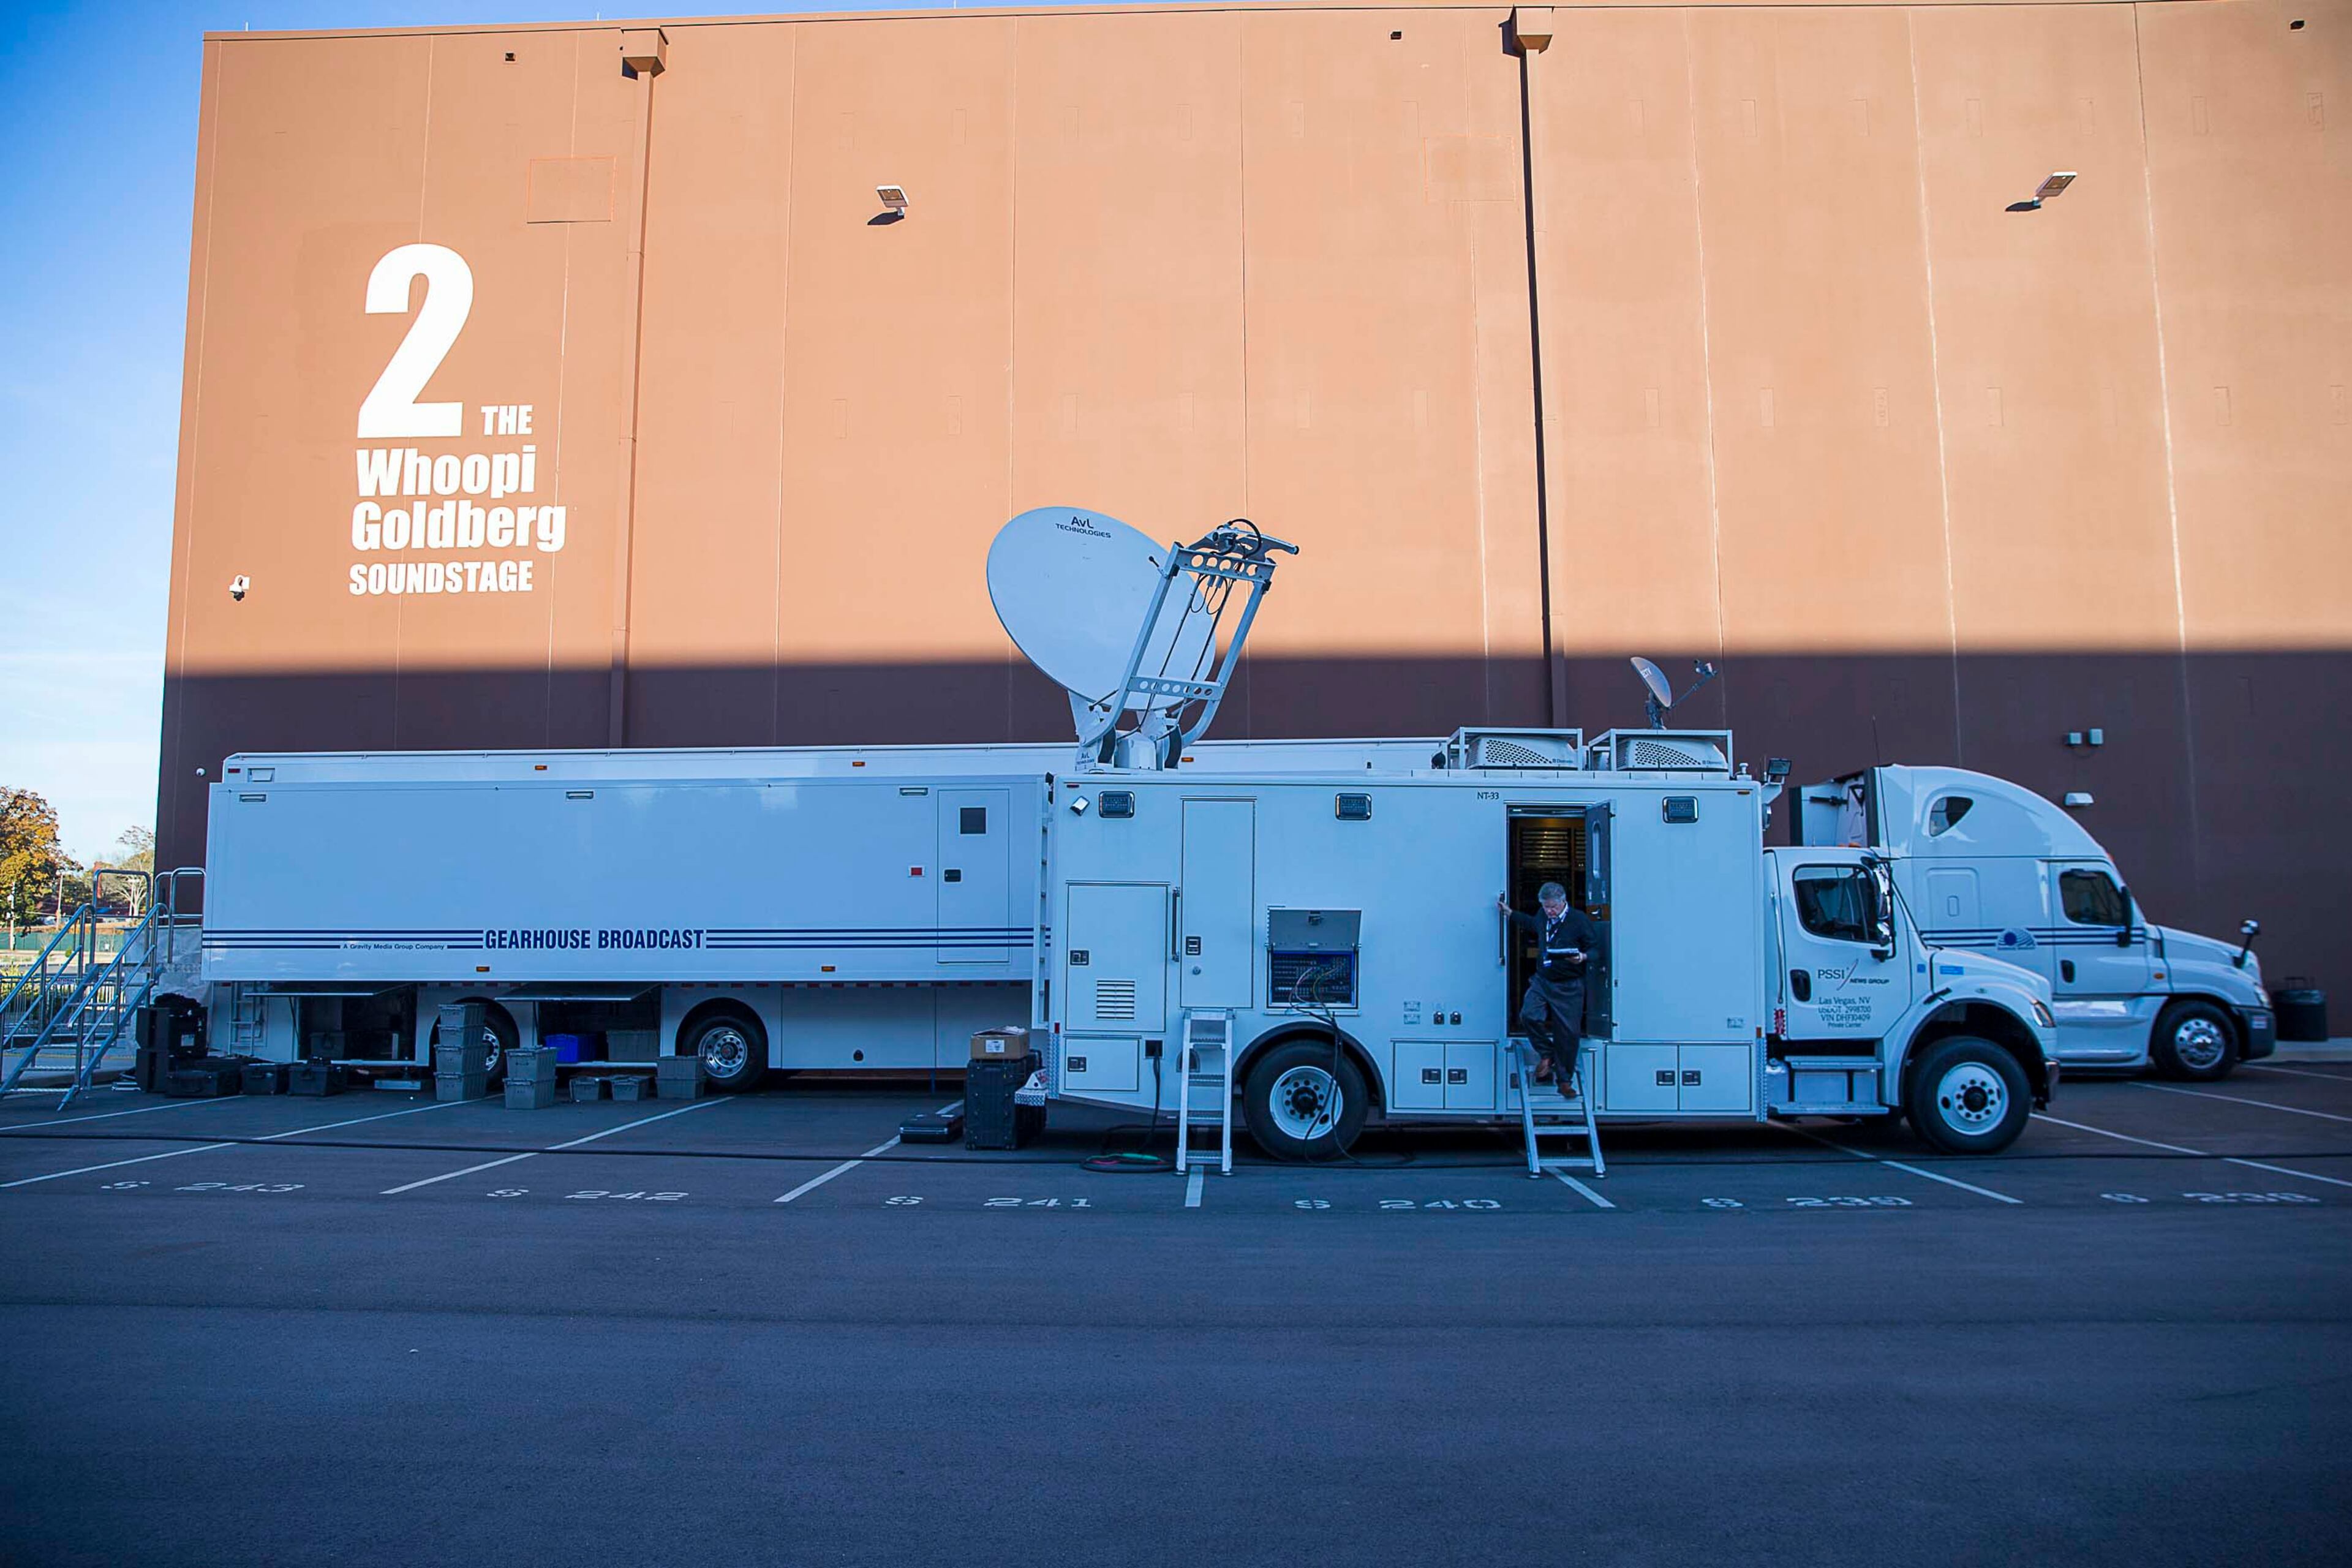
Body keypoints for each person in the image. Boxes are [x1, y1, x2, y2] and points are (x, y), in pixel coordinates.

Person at [1496, 882, 1603, 1095]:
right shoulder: (1543, 916)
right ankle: (1547, 1053)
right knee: (1529, 1015)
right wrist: (1511, 914)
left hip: (1569, 984)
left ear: (1564, 901)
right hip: (1543, 979)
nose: (1550, 912)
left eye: (1553, 907)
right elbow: (1532, 923)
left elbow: (1596, 950)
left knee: (1568, 1032)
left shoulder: (1579, 920)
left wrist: (1582, 957)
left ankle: (1565, 1081)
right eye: (1546, 907)